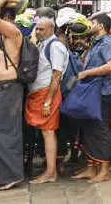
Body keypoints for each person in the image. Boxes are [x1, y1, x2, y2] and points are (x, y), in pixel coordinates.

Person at [72, 13, 111, 183]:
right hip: (92, 93)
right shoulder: (96, 42)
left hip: (101, 93)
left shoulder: (107, 42)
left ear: (100, 26)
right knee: (89, 130)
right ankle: (91, 169)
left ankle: (104, 171)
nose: (90, 25)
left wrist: (87, 73)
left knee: (100, 131)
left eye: (93, 23)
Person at [0, 0, 25, 190]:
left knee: (0, 133)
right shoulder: (1, 35)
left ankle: (10, 176)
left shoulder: (12, 31)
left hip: (7, 89)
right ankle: (0, 175)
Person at [28, 18, 68, 184]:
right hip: (40, 93)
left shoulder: (55, 46)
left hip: (47, 94)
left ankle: (50, 173)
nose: (38, 32)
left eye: (41, 29)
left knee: (48, 132)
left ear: (51, 29)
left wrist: (47, 101)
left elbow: (56, 75)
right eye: (37, 29)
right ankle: (50, 172)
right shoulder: (43, 44)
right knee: (46, 132)